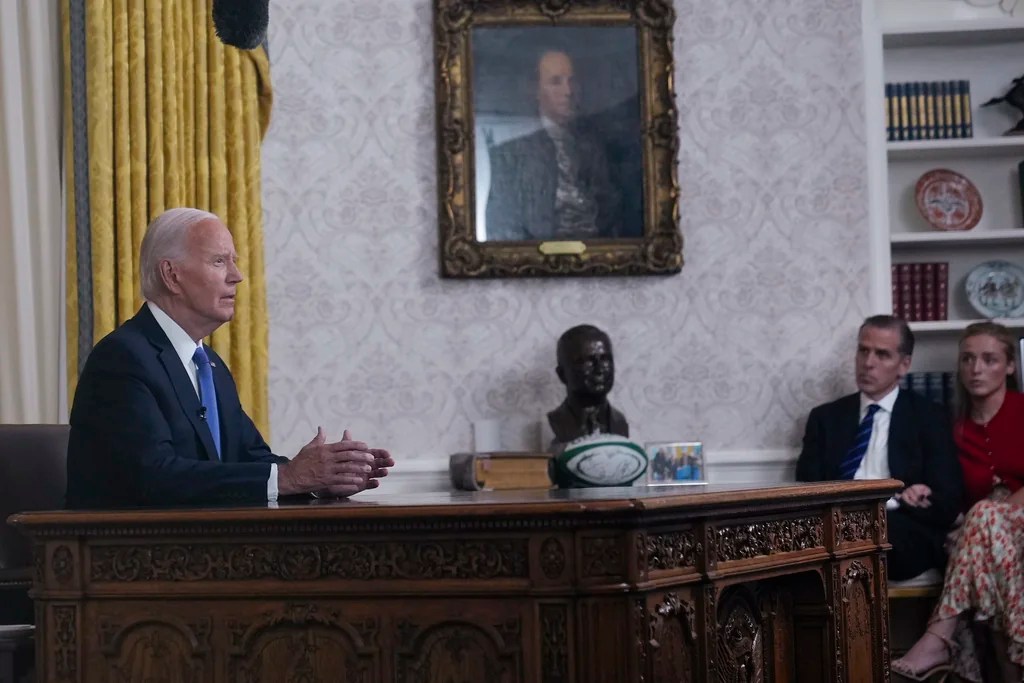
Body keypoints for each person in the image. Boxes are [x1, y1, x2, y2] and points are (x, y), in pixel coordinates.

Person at [65, 208, 394, 508]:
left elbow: (250, 458)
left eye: (233, 261)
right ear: (172, 275)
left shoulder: (209, 364)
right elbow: (154, 477)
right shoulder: (123, 358)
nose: (236, 276)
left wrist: (320, 480)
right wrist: (291, 477)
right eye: (219, 261)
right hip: (126, 558)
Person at [892, 322, 1024, 682]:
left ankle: (940, 633)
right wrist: (920, 491)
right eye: (967, 359)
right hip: (987, 543)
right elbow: (949, 493)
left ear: (1010, 366)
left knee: (983, 517)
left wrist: (991, 515)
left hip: (1012, 525)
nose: (976, 368)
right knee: (989, 549)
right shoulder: (951, 427)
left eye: (988, 359)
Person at [796, 315, 963, 581]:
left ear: (903, 365)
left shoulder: (929, 417)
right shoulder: (825, 418)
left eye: (882, 354)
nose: (868, 363)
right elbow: (806, 487)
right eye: (863, 350)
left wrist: (912, 498)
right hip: (836, 524)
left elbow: (948, 501)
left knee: (874, 539)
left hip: (901, 529)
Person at [485, 49, 621, 241]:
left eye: (572, 81)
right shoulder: (511, 150)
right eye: (556, 82)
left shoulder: (592, 146)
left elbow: (610, 212)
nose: (568, 91)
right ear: (535, 90)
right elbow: (502, 222)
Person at [547, 324, 628, 448]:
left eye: (605, 359)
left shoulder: (620, 422)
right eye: (587, 361)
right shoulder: (557, 421)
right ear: (562, 374)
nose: (599, 369)